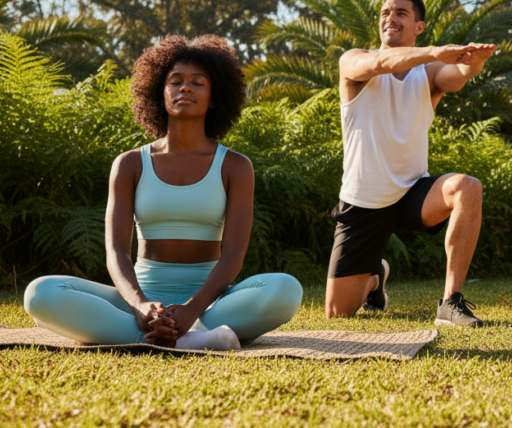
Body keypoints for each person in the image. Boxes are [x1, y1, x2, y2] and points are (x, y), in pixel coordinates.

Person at [24, 35, 303, 350]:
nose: (185, 88)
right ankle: (189, 339)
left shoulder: (235, 166)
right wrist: (139, 305)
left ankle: (166, 333)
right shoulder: (130, 163)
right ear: (160, 92)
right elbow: (117, 251)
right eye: (176, 81)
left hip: (211, 302)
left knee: (285, 288)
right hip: (140, 299)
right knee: (40, 293)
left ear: (214, 97)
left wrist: (192, 309)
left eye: (198, 82)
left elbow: (234, 254)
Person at [326, 0, 496, 327]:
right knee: (338, 312)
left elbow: (455, 77)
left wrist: (471, 65)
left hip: (413, 192)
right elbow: (380, 62)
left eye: (401, 13)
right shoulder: (354, 60)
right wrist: (435, 51)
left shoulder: (428, 73)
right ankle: (376, 276)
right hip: (364, 201)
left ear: (418, 26)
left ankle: (451, 301)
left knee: (468, 187)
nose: (391, 18)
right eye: (385, 13)